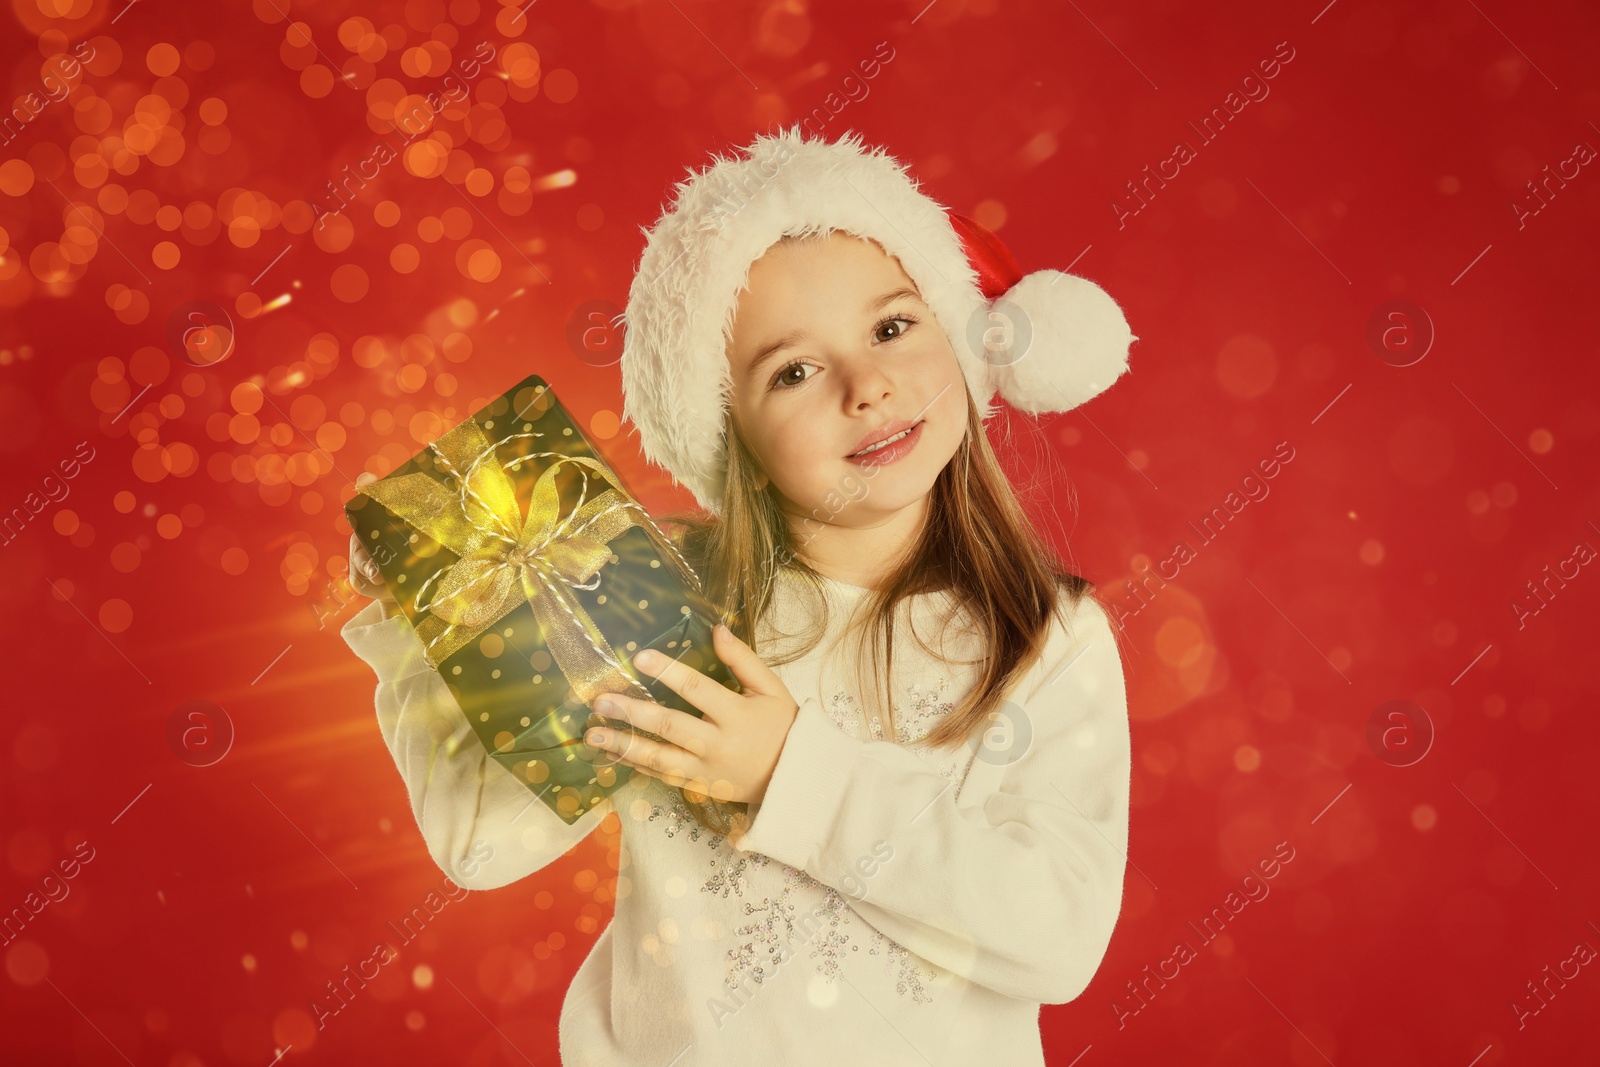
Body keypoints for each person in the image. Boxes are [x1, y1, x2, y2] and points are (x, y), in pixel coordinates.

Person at [343, 125, 1138, 1065]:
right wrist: (428, 621)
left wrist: (789, 774)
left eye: (891, 326)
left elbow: (1057, 934)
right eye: (794, 371)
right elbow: (481, 844)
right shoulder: (656, 599)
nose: (869, 386)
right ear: (730, 437)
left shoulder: (1048, 635)